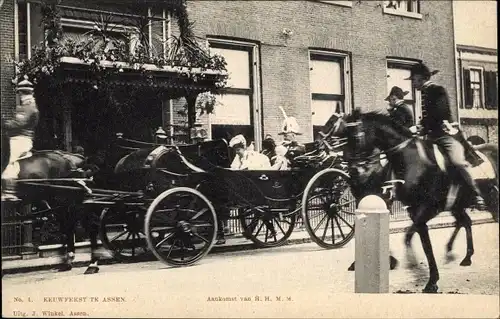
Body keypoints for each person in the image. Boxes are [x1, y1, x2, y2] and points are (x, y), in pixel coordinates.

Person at [406, 62, 486, 209]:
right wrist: (418, 128)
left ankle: (476, 194)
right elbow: (427, 117)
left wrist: (422, 127)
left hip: (444, 135)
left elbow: (441, 114)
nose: (413, 83)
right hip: (430, 137)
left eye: (414, 79)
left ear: (421, 78)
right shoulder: (424, 92)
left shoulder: (438, 90)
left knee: (458, 162)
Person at [1, 77, 39, 200]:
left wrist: (5, 124)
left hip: (21, 139)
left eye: (21, 93)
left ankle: (9, 192)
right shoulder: (26, 105)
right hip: (18, 137)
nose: (20, 95)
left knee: (11, 164)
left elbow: (20, 123)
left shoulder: (29, 106)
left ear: (24, 93)